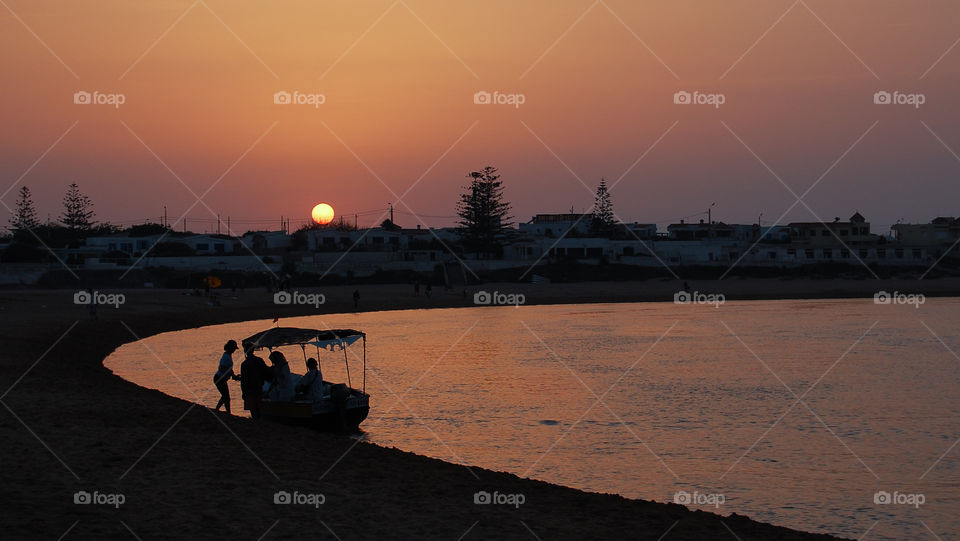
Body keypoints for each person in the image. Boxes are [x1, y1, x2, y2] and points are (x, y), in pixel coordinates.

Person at [239, 347, 271, 419]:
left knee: (253, 410)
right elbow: (265, 372)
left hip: (249, 390)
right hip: (258, 387)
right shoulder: (259, 360)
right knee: (259, 409)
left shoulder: (244, 364)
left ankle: (256, 421)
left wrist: (243, 392)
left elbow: (243, 380)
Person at [213, 340, 238, 413]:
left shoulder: (228, 355)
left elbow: (229, 368)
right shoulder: (226, 357)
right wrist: (231, 374)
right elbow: (222, 368)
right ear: (230, 348)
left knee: (225, 396)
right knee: (226, 396)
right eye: (234, 348)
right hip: (219, 379)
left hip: (221, 379)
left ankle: (222, 410)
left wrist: (233, 375)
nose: (234, 350)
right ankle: (224, 411)